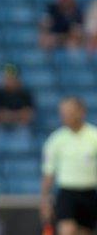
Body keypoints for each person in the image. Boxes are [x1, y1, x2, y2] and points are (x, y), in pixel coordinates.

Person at [40, 97, 97, 235]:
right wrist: (45, 200)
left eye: (69, 112)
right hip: (67, 193)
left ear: (81, 112)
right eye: (63, 113)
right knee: (67, 231)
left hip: (89, 193)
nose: (65, 116)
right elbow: (48, 173)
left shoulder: (94, 136)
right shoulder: (56, 139)